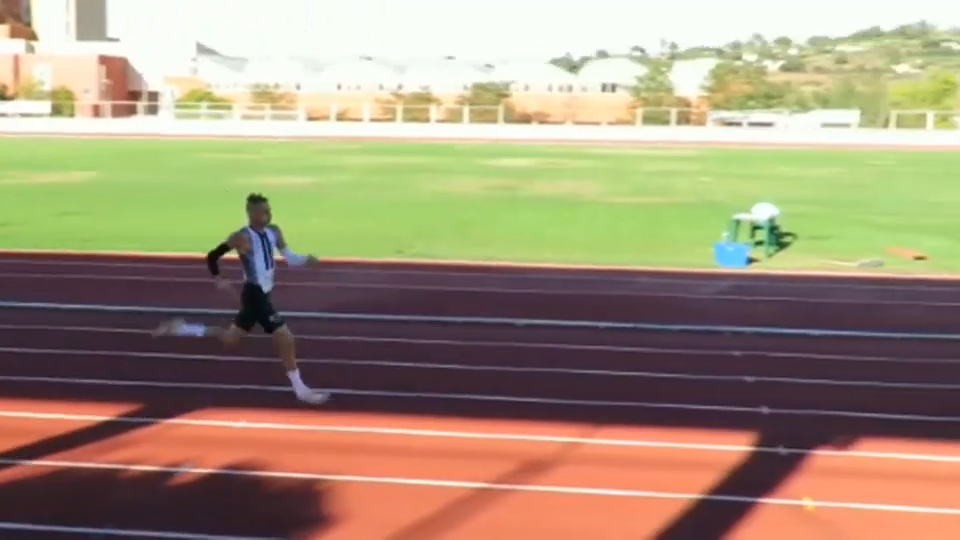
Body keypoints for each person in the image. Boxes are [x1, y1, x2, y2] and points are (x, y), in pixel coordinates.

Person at [152, 192, 329, 405]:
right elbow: (213, 255)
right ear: (252, 213)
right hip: (254, 293)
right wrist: (219, 278)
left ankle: (182, 328)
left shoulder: (274, 231)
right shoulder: (241, 237)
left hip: (264, 293)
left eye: (269, 209)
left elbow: (289, 257)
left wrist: (305, 260)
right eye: (264, 211)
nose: (268, 214)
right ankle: (300, 389)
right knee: (286, 338)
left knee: (229, 338)